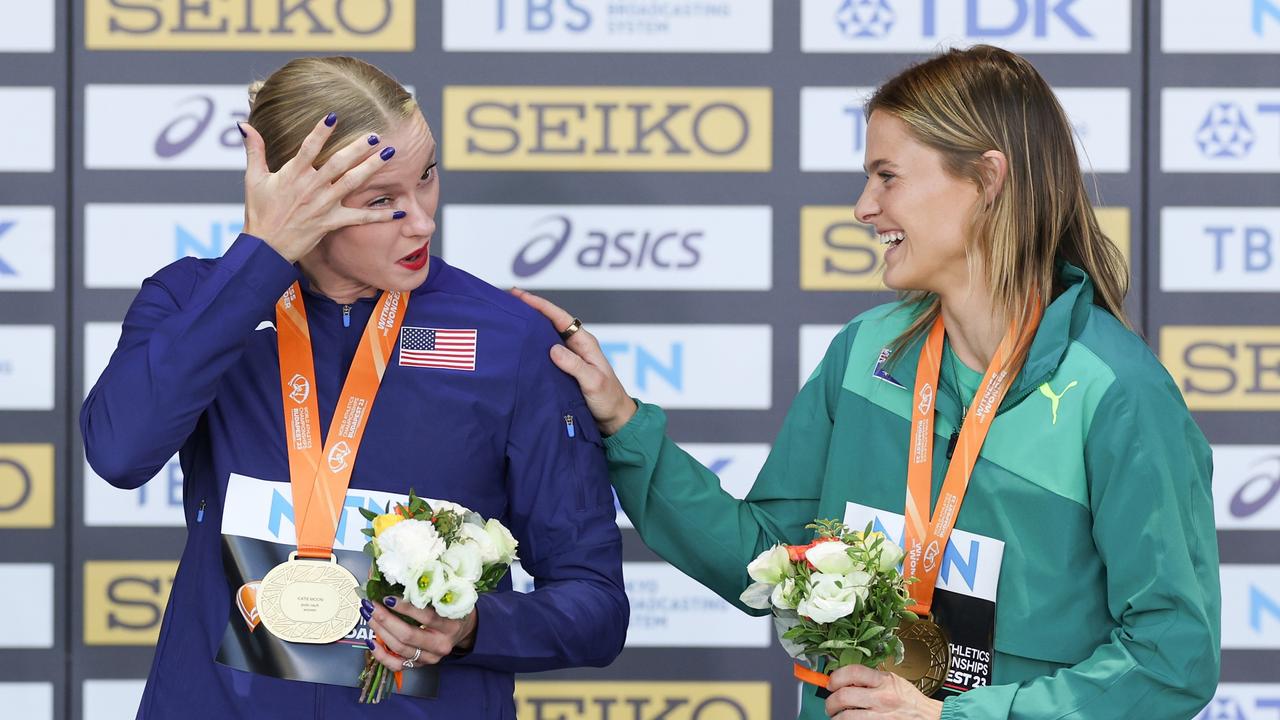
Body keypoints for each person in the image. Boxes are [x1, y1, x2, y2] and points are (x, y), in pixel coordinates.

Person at [516, 45, 1220, 720]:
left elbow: (1169, 657)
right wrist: (623, 422)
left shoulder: (1117, 391)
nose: (863, 207)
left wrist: (953, 716)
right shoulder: (867, 351)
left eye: (888, 177)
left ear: (987, 180)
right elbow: (768, 559)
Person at [81, 56, 628, 719]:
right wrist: (259, 262)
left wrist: (476, 628)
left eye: (426, 178)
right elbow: (119, 452)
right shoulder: (198, 302)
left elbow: (595, 604)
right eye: (381, 201)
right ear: (294, 200)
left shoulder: (506, 338)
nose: (422, 220)